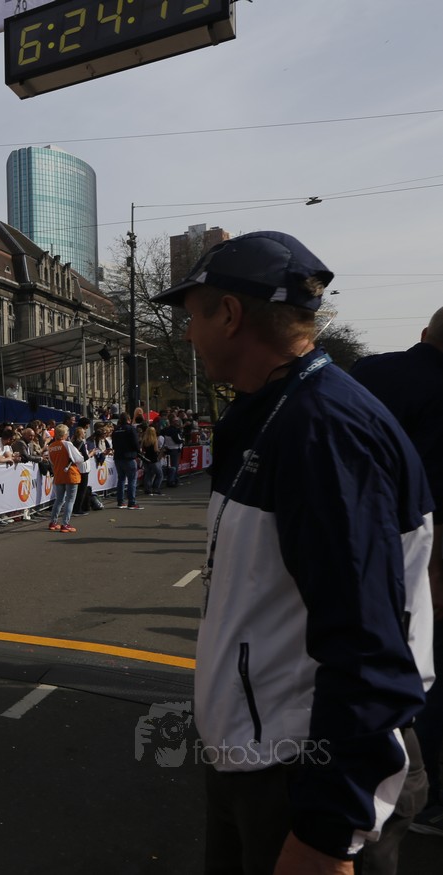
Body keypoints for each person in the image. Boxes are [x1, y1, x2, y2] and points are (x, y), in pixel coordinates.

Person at [150, 231, 434, 875]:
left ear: (229, 314)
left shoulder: (324, 429)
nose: (188, 334)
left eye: (192, 316)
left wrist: (328, 833)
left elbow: (367, 646)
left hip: (299, 772)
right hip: (254, 757)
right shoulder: (273, 411)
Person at [351, 305, 443, 839]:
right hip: (416, 543)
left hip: (359, 537)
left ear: (425, 333)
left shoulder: (370, 371)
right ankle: (415, 790)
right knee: (423, 670)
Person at [46, 424, 83, 533]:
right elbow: (79, 459)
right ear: (65, 434)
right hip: (70, 474)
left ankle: (53, 522)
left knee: (59, 500)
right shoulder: (67, 444)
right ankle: (65, 524)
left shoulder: (51, 447)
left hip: (58, 474)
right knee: (70, 500)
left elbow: (51, 462)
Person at [111, 413, 140, 510]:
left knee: (121, 479)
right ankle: (131, 502)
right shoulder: (131, 429)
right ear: (128, 419)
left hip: (118, 457)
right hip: (129, 456)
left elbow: (114, 444)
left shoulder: (116, 430)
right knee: (132, 480)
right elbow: (135, 443)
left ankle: (120, 501)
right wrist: (138, 452)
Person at [139, 425, 164, 496]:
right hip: (154, 459)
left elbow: (141, 449)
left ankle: (148, 489)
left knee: (148, 474)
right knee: (160, 474)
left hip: (146, 459)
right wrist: (160, 450)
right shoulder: (154, 439)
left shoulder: (144, 440)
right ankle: (156, 488)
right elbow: (156, 450)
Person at [160, 417, 184, 487]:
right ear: (173, 422)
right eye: (176, 421)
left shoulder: (166, 430)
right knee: (174, 466)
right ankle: (173, 481)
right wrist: (182, 441)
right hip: (174, 449)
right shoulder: (174, 430)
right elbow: (176, 440)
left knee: (170, 466)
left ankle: (171, 480)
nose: (178, 422)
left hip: (168, 448)